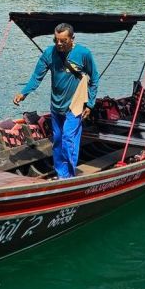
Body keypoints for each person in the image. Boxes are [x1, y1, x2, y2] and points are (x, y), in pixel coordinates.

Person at [12, 23, 99, 179]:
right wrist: (24, 93)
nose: (59, 44)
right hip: (56, 106)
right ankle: (61, 174)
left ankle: (69, 176)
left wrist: (90, 104)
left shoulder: (83, 53)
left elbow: (94, 79)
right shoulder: (49, 54)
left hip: (75, 106)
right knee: (58, 141)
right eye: (56, 40)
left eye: (63, 41)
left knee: (68, 139)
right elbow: (36, 77)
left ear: (72, 39)